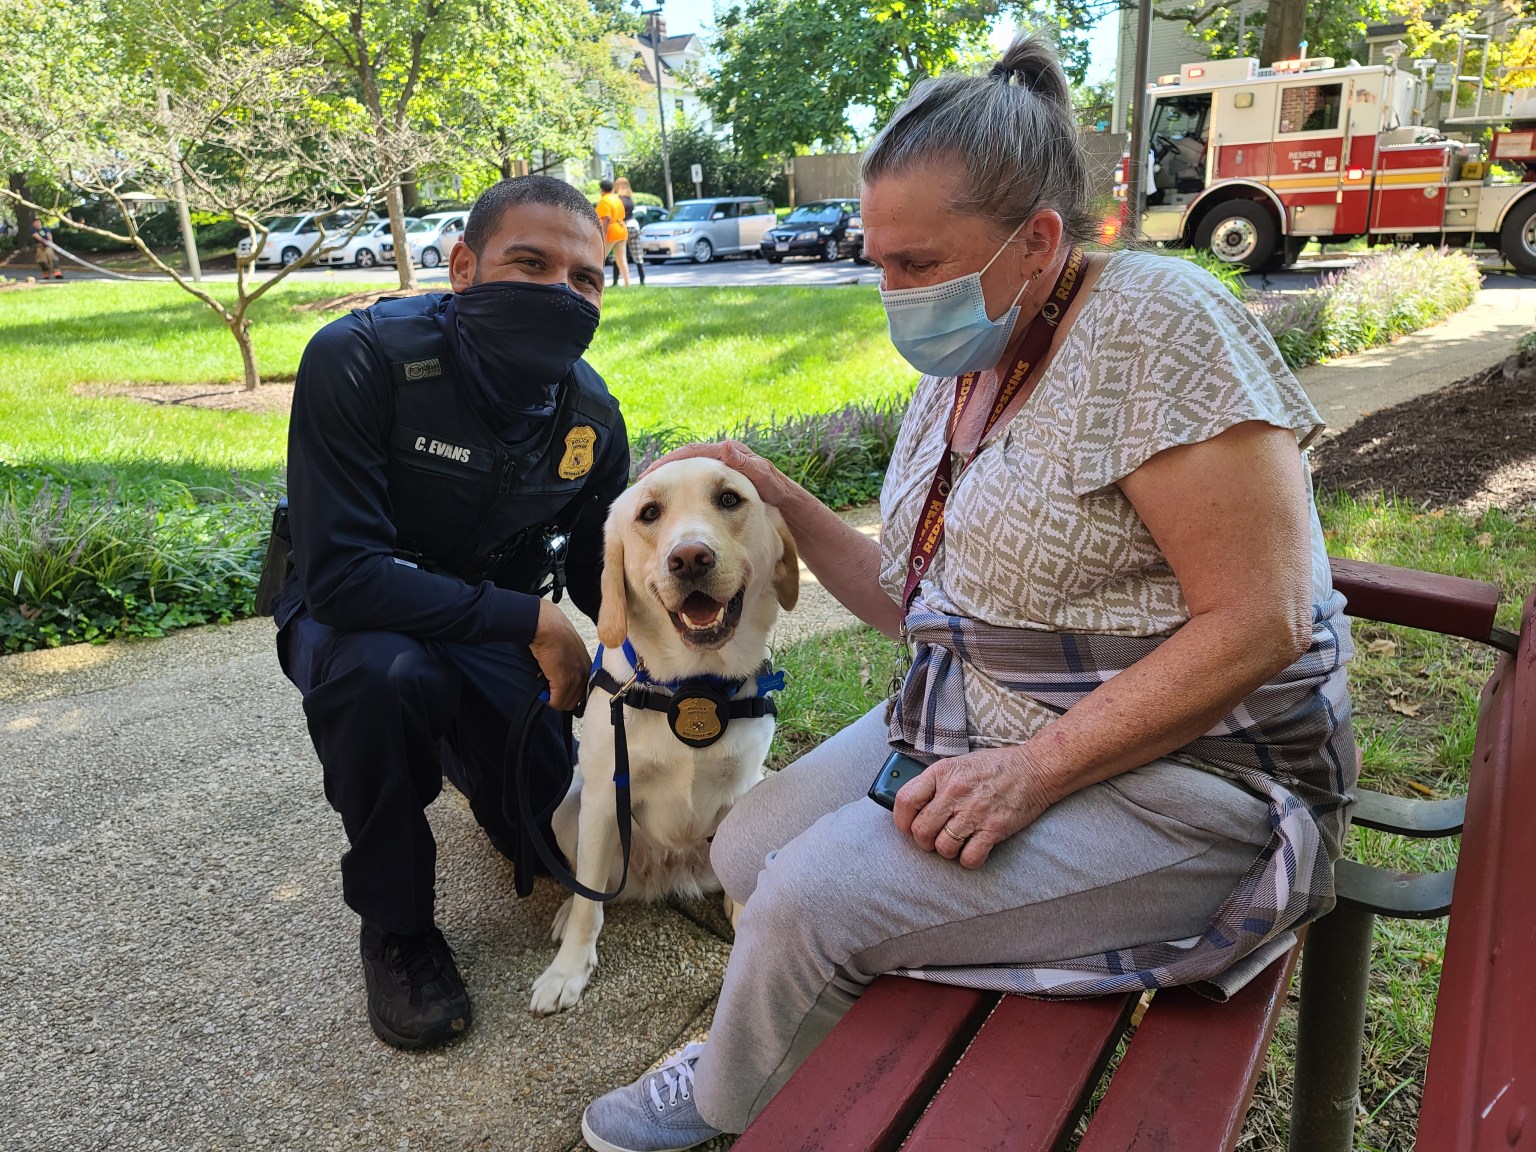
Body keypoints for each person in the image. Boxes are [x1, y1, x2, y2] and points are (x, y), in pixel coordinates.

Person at [577, 34, 1355, 1152]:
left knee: (804, 901)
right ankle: (822, 1014)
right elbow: (915, 607)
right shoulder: (970, 369)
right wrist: (777, 494)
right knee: (750, 845)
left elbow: (1266, 616)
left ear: (1038, 242)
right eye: (877, 258)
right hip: (988, 720)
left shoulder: (1158, 323)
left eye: (915, 263)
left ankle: (731, 1100)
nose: (888, 291)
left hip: (1193, 780)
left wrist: (1029, 776)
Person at [271, 175, 629, 1051]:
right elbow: (346, 577)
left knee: (557, 848)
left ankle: (463, 746)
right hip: (354, 618)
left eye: (585, 279)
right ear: (463, 266)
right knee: (388, 678)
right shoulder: (360, 358)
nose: (560, 293)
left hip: (484, 620)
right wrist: (536, 626)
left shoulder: (590, 418)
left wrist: (678, 643)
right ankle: (397, 930)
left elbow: (599, 579)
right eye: (530, 263)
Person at [596, 178, 630, 288]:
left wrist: (603, 234)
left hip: (611, 231)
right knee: (622, 258)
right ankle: (627, 283)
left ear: (602, 189)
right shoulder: (617, 199)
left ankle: (598, 284)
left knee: (599, 259)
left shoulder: (604, 200)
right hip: (621, 228)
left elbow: (606, 218)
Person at [613, 176, 645, 287]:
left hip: (623, 227)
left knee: (619, 255)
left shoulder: (618, 199)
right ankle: (642, 280)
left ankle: (615, 281)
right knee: (637, 254)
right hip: (634, 226)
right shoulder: (630, 198)